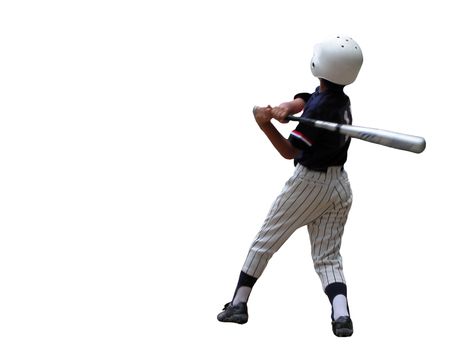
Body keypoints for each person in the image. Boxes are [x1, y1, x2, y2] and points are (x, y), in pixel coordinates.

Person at [217, 35, 363, 337]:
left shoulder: (319, 111)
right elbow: (310, 98)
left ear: (319, 65)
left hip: (309, 185)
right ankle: (341, 315)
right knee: (328, 257)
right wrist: (290, 104)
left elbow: (289, 151)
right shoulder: (338, 99)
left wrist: (264, 123)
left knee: (265, 241)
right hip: (340, 186)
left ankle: (239, 304)